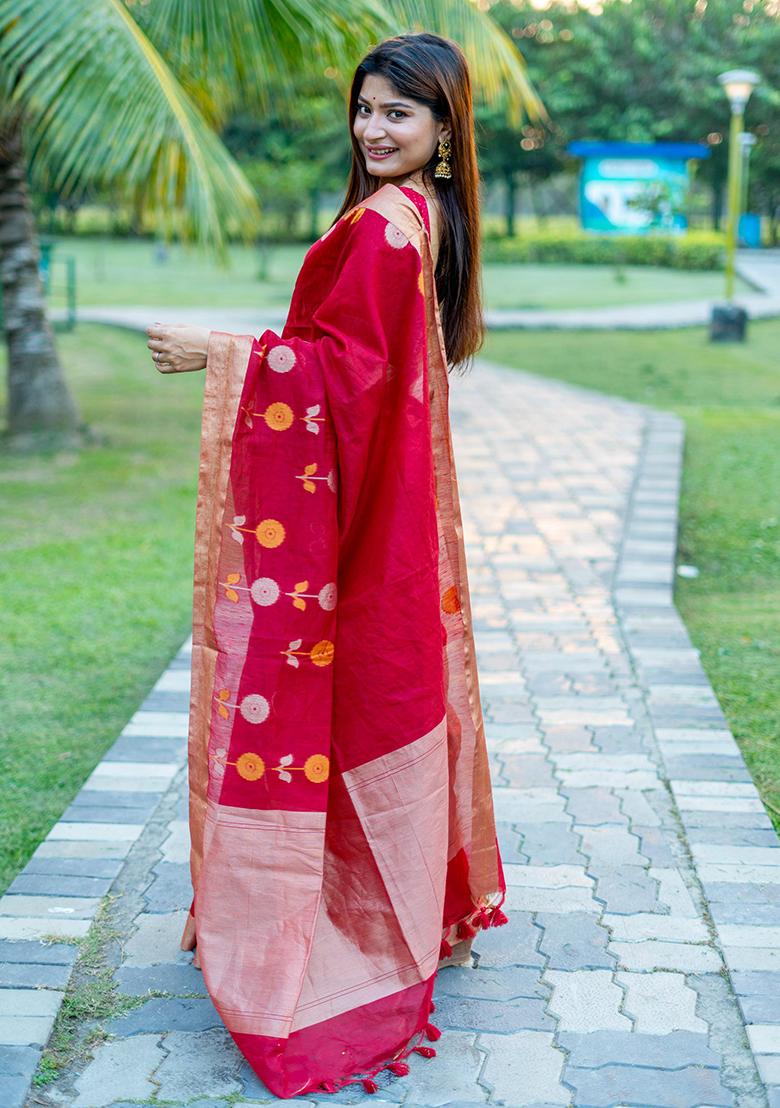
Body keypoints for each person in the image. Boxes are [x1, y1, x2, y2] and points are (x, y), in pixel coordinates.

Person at [146, 31, 506, 1100]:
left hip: (366, 524)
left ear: (444, 132)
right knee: (386, 689)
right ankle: (410, 904)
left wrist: (222, 352)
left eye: (399, 113)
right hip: (386, 516)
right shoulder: (416, 217)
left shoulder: (393, 228)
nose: (373, 128)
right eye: (364, 108)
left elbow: (344, 376)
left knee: (341, 697)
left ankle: (344, 927)